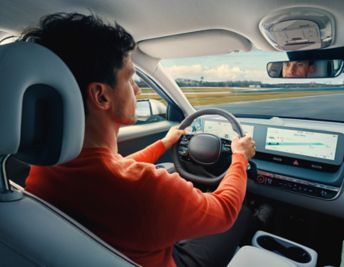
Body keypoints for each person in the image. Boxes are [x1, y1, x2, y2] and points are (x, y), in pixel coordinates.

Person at [22, 13, 265, 267]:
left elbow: (116, 167)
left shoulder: (44, 168)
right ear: (101, 96)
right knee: (240, 214)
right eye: (130, 79)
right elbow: (225, 210)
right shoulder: (149, 191)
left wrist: (165, 143)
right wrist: (239, 157)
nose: (138, 90)